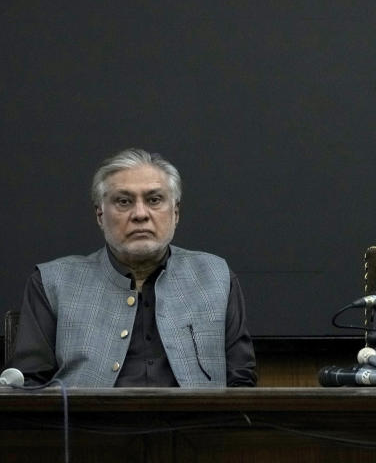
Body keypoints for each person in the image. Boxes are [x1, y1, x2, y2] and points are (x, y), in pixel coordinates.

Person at [9, 148, 257, 387]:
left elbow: (241, 381)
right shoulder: (52, 282)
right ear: (100, 216)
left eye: (154, 200)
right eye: (124, 201)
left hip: (195, 428)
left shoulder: (216, 276)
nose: (140, 214)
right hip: (86, 428)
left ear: (176, 213)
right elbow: (29, 385)